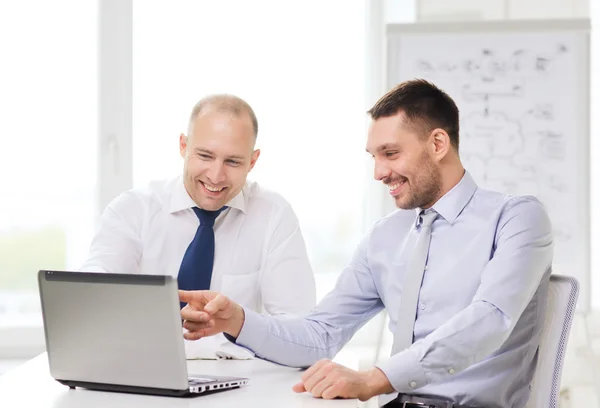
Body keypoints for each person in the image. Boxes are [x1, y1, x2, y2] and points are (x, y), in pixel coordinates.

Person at [178, 79, 553, 408]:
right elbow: (320, 335)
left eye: (391, 153)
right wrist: (238, 321)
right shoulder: (385, 237)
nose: (379, 172)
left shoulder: (517, 218)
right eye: (374, 157)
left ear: (438, 143)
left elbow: (489, 320)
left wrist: (374, 379)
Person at [81, 94, 316, 358]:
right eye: (205, 156)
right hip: (143, 371)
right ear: (183, 146)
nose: (216, 176)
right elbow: (92, 294)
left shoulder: (273, 215)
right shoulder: (133, 210)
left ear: (252, 161)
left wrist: (238, 322)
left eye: (233, 162)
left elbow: (300, 334)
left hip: (240, 386)